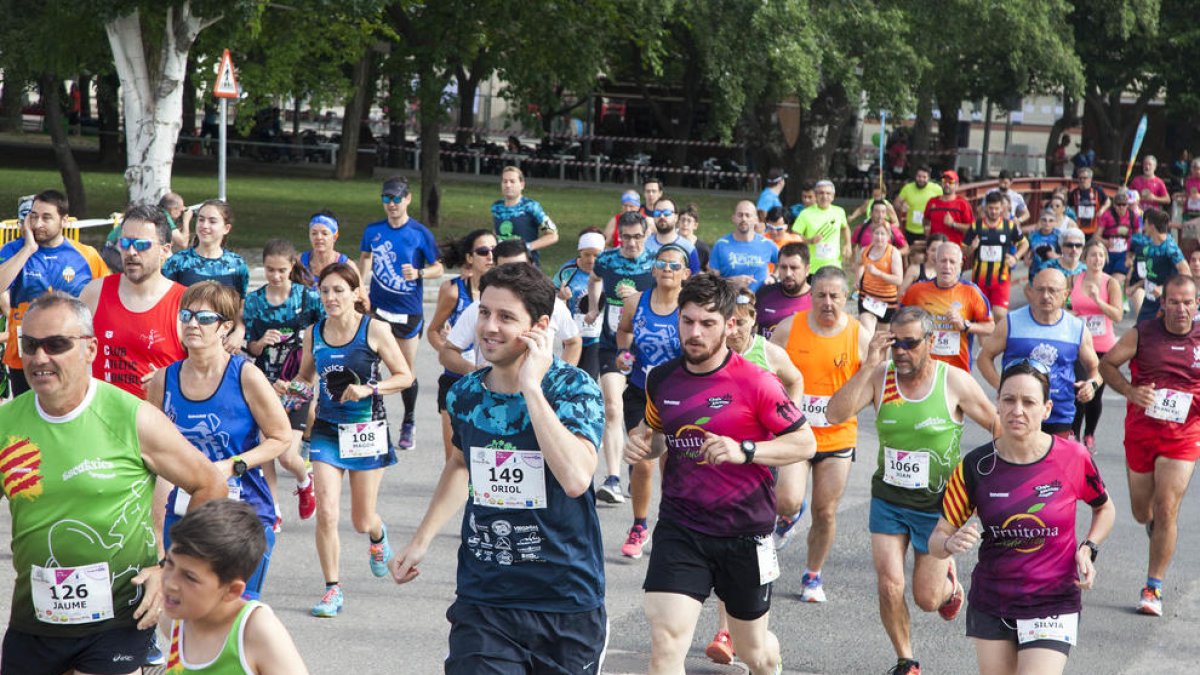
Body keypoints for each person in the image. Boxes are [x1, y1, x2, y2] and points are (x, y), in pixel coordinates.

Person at [390, 262, 608, 675]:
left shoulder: (573, 389)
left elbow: (577, 478)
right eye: (484, 312)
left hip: (564, 598)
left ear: (539, 326)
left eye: (506, 317)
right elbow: (460, 462)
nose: (489, 326)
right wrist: (422, 539)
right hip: (485, 595)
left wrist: (531, 387)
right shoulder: (466, 394)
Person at [0, 291, 227, 675]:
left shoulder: (131, 417)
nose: (40, 358)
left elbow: (210, 485)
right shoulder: (7, 423)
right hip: (35, 619)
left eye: (56, 345)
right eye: (30, 345)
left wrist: (170, 568)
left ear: (90, 349)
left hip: (120, 619)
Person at [625, 273, 816, 675]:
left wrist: (745, 450)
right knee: (666, 643)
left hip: (744, 532)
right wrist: (642, 444)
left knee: (754, 652)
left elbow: (805, 444)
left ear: (730, 325)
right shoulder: (661, 379)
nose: (695, 332)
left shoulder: (757, 382)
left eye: (707, 323)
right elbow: (659, 436)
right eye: (687, 321)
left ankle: (768, 659)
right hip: (682, 528)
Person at [827, 307, 998, 675]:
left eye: (909, 343)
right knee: (890, 584)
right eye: (894, 343)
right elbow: (834, 414)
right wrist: (869, 364)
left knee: (926, 598)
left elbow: (999, 429)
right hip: (889, 500)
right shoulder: (879, 377)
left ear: (931, 343)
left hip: (939, 508)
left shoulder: (954, 382)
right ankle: (907, 661)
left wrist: (987, 484)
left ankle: (949, 588)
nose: (901, 351)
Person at [930, 361, 1115, 675]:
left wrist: (1088, 548)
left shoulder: (1073, 457)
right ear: (997, 405)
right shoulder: (976, 466)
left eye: (1028, 402)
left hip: (1053, 599)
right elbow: (935, 541)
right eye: (1008, 400)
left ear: (1046, 409)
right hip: (993, 599)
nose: (1017, 410)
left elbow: (1105, 508)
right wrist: (949, 542)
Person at [278, 263, 414, 617]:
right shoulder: (314, 333)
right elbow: (306, 377)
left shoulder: (375, 330)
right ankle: (332, 590)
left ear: (356, 293)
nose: (331, 297)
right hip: (326, 430)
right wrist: (289, 388)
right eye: (325, 291)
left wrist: (369, 387)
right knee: (326, 512)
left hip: (366, 431)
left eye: (339, 290)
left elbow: (405, 376)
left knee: (360, 519)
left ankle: (377, 534)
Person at [148, 281, 291, 602]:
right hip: (185, 511)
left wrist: (233, 465)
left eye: (204, 318)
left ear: (225, 327)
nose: (192, 324)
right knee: (185, 607)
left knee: (237, 610)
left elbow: (281, 437)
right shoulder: (164, 379)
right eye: (186, 315)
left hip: (244, 513)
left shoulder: (246, 376)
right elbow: (151, 452)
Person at [705, 287, 806, 665]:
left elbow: (795, 380)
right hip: (728, 457)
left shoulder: (769, 355)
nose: (732, 331)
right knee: (724, 537)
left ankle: (754, 634)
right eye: (729, 323)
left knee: (784, 506)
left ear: (754, 323)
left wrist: (788, 418)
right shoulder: (715, 356)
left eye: (741, 323)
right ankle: (725, 630)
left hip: (764, 454)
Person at [1100, 275, 1200, 617]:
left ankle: (1153, 586)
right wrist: (1130, 391)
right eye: (1174, 302)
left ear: (1196, 304)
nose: (1181, 309)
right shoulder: (1143, 333)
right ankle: (1153, 525)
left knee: (1168, 504)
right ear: (1164, 304)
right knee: (1144, 511)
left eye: (1188, 302)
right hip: (1142, 431)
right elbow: (1107, 363)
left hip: (1184, 434)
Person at [771, 266, 869, 602]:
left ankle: (812, 576)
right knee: (787, 500)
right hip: (796, 433)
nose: (827, 302)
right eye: (821, 295)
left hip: (838, 436)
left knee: (825, 511)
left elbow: (872, 384)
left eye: (835, 296)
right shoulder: (789, 328)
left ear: (847, 297)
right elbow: (766, 372)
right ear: (810, 296)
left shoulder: (858, 335)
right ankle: (785, 520)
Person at [159, 500, 309, 673]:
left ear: (232, 590)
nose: (171, 583)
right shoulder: (175, 621)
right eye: (169, 563)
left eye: (190, 577)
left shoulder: (256, 629)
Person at [614, 245, 691, 559]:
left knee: (672, 463)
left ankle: (671, 524)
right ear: (653, 269)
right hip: (639, 392)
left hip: (677, 395)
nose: (667, 269)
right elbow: (623, 331)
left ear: (686, 273)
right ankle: (639, 525)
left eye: (674, 265)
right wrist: (624, 353)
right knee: (642, 461)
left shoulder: (690, 308)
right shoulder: (636, 302)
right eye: (662, 264)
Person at [358, 176, 444, 451]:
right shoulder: (373, 231)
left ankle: (409, 421)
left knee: (405, 370)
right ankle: (373, 421)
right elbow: (365, 261)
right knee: (369, 366)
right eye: (387, 199)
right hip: (378, 310)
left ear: (407, 199)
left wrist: (420, 272)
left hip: (408, 312)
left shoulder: (419, 233)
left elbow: (438, 267)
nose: (392, 204)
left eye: (396, 199)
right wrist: (359, 290)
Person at [243, 240, 324, 524]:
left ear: (292, 267)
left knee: (288, 456)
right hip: (265, 382)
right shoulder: (254, 301)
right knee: (265, 449)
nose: (275, 276)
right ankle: (272, 509)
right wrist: (260, 342)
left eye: (281, 270)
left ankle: (304, 480)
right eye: (269, 270)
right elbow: (249, 348)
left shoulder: (307, 298)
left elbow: (325, 332)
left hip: (299, 382)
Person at [0, 189, 109, 395]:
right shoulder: (14, 250)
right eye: (33, 216)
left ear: (64, 221)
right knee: (28, 423)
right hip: (25, 355)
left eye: (46, 217)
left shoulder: (87, 255)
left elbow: (107, 298)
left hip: (70, 355)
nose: (37, 223)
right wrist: (28, 250)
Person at [978, 268, 1100, 438]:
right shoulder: (1011, 323)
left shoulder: (1077, 328)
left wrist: (1092, 385)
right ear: (1030, 291)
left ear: (1066, 294)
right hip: (1017, 413)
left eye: (1052, 290)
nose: (1045, 296)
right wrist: (1002, 386)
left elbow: (1095, 370)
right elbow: (984, 358)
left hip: (1059, 415)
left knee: (1056, 464)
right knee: (1016, 463)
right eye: (1040, 289)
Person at [81, 204, 187, 399]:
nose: (131, 252)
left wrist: (171, 379)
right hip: (106, 420)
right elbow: (68, 352)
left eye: (141, 245)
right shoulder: (94, 293)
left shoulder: (185, 303)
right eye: (124, 243)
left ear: (165, 251)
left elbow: (211, 372)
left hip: (160, 423)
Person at [585, 211, 656, 503]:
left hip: (645, 348)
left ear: (645, 236)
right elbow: (593, 278)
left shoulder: (654, 263)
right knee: (612, 407)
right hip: (610, 344)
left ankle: (635, 468)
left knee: (643, 414)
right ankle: (612, 478)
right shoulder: (607, 260)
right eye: (625, 237)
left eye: (637, 237)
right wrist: (593, 307)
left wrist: (637, 299)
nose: (631, 243)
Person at [441, 239, 582, 374]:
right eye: (507, 269)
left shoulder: (554, 306)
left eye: (507, 317)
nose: (491, 327)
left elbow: (573, 342)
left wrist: (560, 380)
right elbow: (448, 351)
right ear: (494, 268)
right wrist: (474, 371)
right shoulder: (480, 307)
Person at [428, 230, 497, 463]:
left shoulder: (504, 293)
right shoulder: (453, 290)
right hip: (455, 380)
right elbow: (433, 331)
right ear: (470, 258)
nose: (490, 256)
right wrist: (449, 351)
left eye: (494, 251)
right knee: (455, 460)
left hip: (492, 383)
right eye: (482, 251)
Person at [161, 199, 250, 352]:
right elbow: (164, 304)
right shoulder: (178, 262)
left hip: (223, 347)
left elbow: (241, 305)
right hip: (184, 343)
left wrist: (239, 331)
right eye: (201, 219)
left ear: (226, 228)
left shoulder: (236, 265)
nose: (204, 225)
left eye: (212, 221)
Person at [900, 244, 995, 372]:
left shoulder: (971, 292)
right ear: (935, 262)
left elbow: (990, 327)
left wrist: (966, 326)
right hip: (924, 368)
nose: (947, 266)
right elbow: (900, 321)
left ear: (960, 265)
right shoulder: (917, 291)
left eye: (952, 262)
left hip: (958, 369)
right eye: (943, 261)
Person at [1068, 241, 1123, 449]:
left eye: (1101, 255)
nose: (1097, 259)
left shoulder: (1110, 284)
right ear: (1085, 258)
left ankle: (1089, 435)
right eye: (1093, 255)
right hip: (1079, 343)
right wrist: (1069, 314)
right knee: (1080, 388)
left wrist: (1097, 301)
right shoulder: (1074, 279)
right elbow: (1065, 306)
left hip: (1103, 347)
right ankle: (1074, 434)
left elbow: (1117, 315)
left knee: (1095, 393)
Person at [963, 191, 1028, 323]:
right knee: (981, 316)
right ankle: (985, 344)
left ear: (1002, 208)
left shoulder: (1009, 226)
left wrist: (1015, 257)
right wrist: (972, 247)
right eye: (991, 208)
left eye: (997, 208)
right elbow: (964, 251)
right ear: (986, 207)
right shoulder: (976, 226)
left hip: (1001, 277)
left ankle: (998, 342)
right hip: (980, 279)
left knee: (1000, 314)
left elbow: (1025, 244)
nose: (993, 212)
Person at [555, 230, 605, 379]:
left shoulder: (607, 270)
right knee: (570, 376)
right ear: (579, 252)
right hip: (571, 333)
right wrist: (561, 296)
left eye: (596, 255)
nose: (591, 259)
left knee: (589, 377)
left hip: (597, 336)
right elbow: (550, 294)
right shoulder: (567, 271)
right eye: (587, 254)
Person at [491, 165, 559, 266]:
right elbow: (496, 231)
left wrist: (527, 247)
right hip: (502, 264)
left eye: (512, 181)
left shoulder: (531, 207)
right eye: (505, 181)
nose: (508, 185)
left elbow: (553, 235)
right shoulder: (496, 207)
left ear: (522, 185)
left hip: (526, 265)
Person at [1132, 209, 1189, 323]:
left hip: (1163, 302)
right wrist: (1135, 286)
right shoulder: (1150, 243)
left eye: (1145, 224)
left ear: (1151, 225)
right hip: (1149, 298)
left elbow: (1186, 272)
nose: (1144, 228)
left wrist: (1164, 288)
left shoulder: (1169, 247)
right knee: (1140, 332)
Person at [709, 200, 779, 291]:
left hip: (759, 303)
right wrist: (732, 281)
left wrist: (774, 277)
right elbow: (712, 281)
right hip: (729, 302)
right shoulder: (721, 245)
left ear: (755, 219)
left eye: (748, 215)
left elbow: (783, 262)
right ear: (733, 218)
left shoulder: (767, 244)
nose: (744, 219)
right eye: (740, 215)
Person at [857, 219, 905, 335]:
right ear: (871, 234)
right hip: (866, 298)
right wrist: (858, 280)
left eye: (882, 234)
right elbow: (859, 264)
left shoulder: (893, 253)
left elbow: (898, 280)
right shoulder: (865, 250)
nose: (879, 237)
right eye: (876, 233)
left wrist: (879, 273)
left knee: (882, 338)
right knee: (867, 334)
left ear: (888, 236)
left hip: (886, 302)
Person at [754, 242, 811, 339]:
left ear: (807, 269)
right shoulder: (764, 293)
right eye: (783, 267)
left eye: (794, 268)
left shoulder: (817, 300)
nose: (788, 273)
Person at [792, 180, 851, 273]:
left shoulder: (839, 212)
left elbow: (845, 227)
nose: (824, 196)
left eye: (828, 193)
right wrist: (809, 240)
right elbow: (794, 235)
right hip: (813, 267)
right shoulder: (805, 213)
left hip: (834, 265)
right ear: (816, 195)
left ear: (833, 196)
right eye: (821, 193)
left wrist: (848, 244)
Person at [644, 197, 702, 273]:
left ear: (676, 217)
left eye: (666, 213)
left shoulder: (688, 248)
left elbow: (695, 280)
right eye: (657, 213)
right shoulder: (644, 245)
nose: (662, 216)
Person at [1096, 191, 1140, 287]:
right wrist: (1105, 242)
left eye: (1124, 205)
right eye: (1118, 205)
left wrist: (1131, 256)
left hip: (1124, 254)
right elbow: (1096, 236)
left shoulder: (1133, 216)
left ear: (1127, 205)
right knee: (1104, 281)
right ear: (1114, 205)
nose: (1121, 207)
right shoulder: (1107, 215)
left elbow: (1138, 237)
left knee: (1115, 282)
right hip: (1108, 253)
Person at [923, 170, 974, 247]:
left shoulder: (963, 204)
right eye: (944, 181)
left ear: (957, 185)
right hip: (936, 249)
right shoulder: (932, 202)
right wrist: (926, 228)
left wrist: (954, 224)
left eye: (950, 182)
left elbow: (971, 229)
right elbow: (926, 220)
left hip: (954, 248)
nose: (947, 184)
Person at [895, 166, 943, 247]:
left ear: (929, 178)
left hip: (928, 230)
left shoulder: (936, 189)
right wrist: (901, 206)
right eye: (919, 176)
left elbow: (944, 203)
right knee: (910, 253)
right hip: (910, 229)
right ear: (915, 176)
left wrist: (936, 209)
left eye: (924, 177)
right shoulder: (908, 188)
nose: (921, 179)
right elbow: (896, 203)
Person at [300, 210, 349, 283]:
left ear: (335, 237)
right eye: (314, 233)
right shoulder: (299, 263)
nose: (319, 237)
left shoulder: (346, 265)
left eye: (325, 233)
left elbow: (360, 294)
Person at [1067, 168, 1110, 237]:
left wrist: (1102, 210)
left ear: (1090, 179)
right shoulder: (1074, 193)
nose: (1082, 180)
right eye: (1080, 178)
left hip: (1094, 228)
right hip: (1079, 228)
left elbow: (1108, 201)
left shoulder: (1097, 190)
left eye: (1084, 178)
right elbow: (1068, 207)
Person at [1025, 210, 1064, 278]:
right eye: (1044, 220)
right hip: (1035, 272)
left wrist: (1056, 256)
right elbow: (1028, 251)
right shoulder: (1032, 236)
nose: (1047, 223)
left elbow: (1065, 255)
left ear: (1055, 223)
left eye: (1051, 220)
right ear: (1040, 221)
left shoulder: (1059, 236)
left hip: (1054, 272)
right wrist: (1027, 258)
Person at [676, 203, 711, 270]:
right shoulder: (671, 243)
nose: (685, 224)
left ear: (695, 225)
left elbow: (710, 272)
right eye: (683, 220)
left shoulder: (702, 248)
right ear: (678, 222)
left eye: (689, 221)